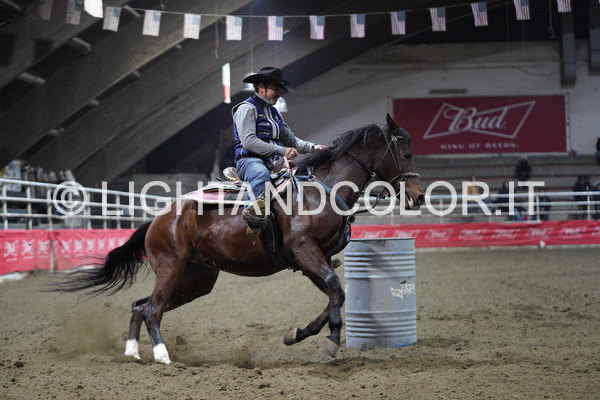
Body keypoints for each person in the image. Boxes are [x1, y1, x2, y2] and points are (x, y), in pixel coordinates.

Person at [232, 67, 326, 235]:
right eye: (276, 89)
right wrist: (282, 151)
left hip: (272, 162)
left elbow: (292, 141)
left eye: (280, 90)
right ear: (261, 88)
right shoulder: (246, 109)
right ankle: (251, 219)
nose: (280, 94)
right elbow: (249, 142)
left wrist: (313, 147)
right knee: (260, 175)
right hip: (248, 161)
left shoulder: (275, 114)